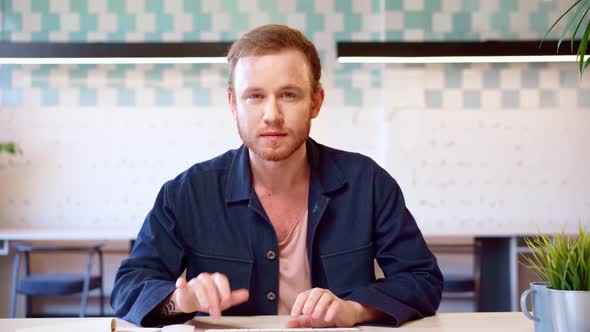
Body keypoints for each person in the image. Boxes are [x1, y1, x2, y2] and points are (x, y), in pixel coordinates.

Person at [111, 24, 443, 328]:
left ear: (315, 102)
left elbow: (421, 279)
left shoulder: (368, 183)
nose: (272, 115)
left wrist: (355, 309)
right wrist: (180, 300)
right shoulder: (187, 193)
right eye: (255, 96)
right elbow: (129, 287)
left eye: (288, 94)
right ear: (233, 104)